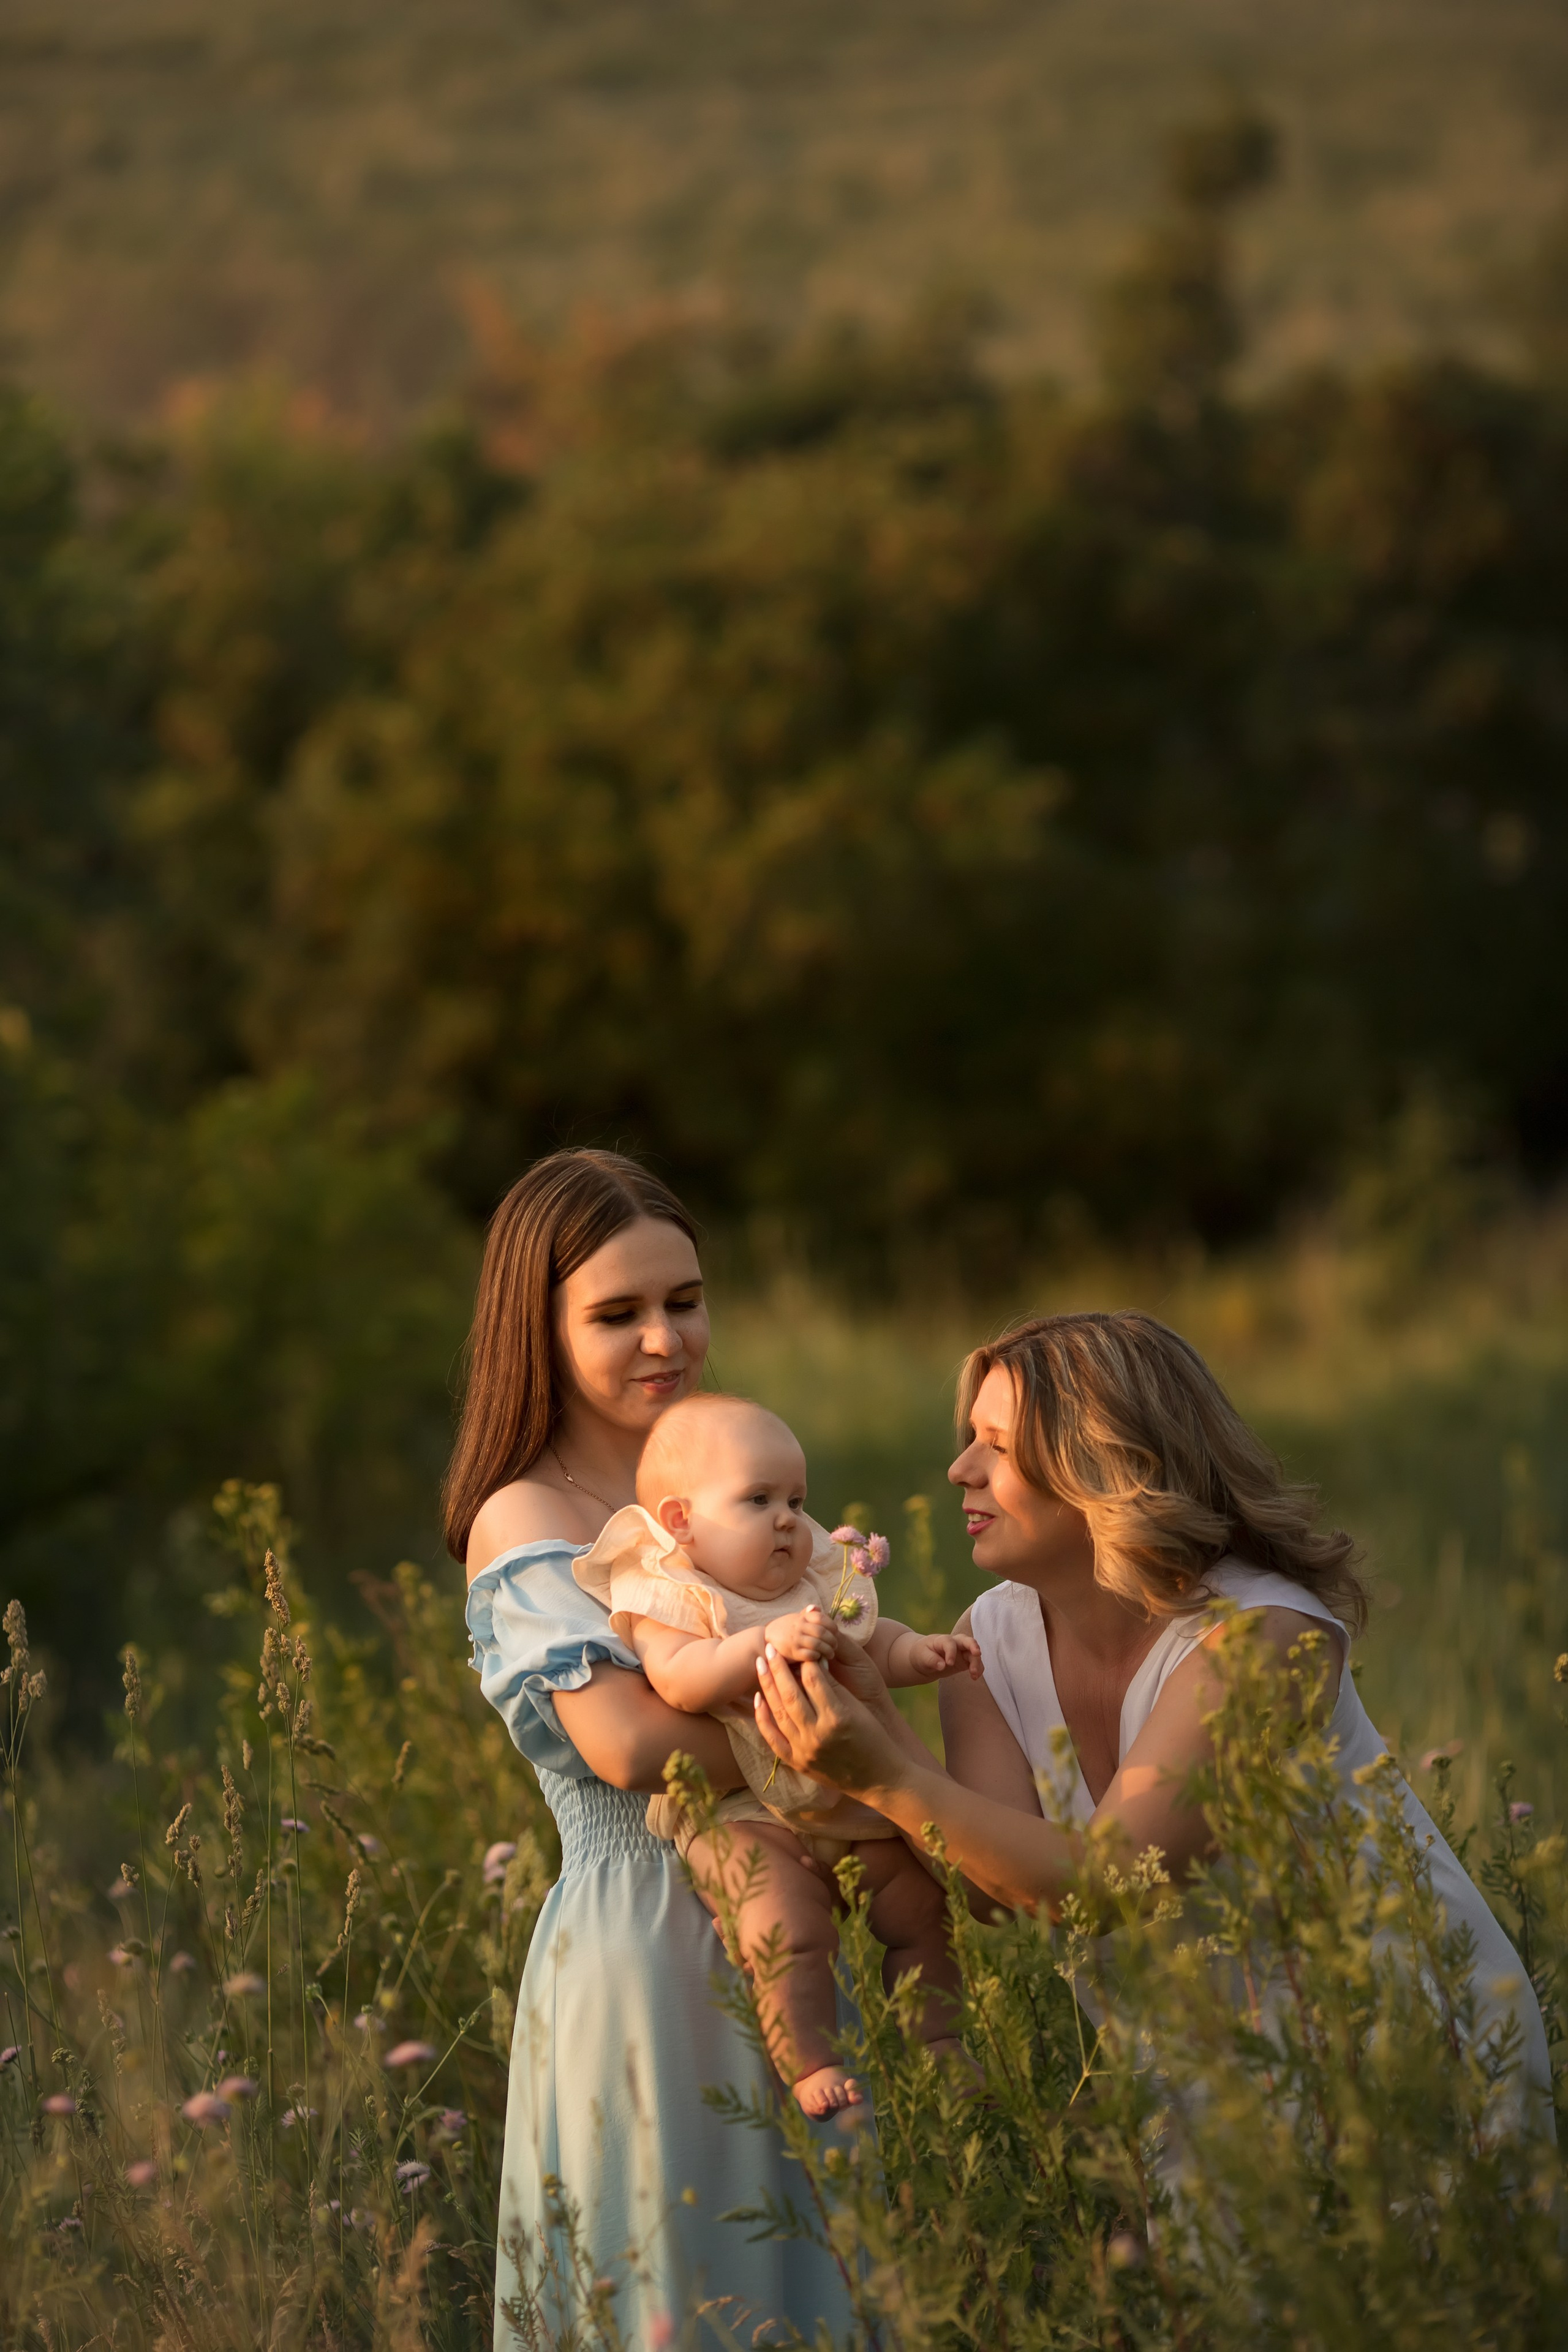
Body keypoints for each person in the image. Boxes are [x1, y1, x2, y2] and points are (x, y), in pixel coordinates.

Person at [748, 1309, 1554, 2138]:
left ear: (1105, 1462)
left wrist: (886, 1777)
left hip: (1391, 2051)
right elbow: (994, 1893)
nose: (960, 1469)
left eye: (996, 1443)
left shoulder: (1262, 1636)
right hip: (1194, 2074)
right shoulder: (987, 1640)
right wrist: (872, 1713)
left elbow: (1109, 1883)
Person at [450, 1150, 852, 2350]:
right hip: (644, 1944)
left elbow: (848, 1662)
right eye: (615, 1314)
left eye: (682, 1300)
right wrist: (829, 1726)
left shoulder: (722, 1478)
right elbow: (629, 1745)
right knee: (684, 2280)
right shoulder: (526, 1515)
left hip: (785, 1915)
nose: (662, 1339)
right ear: (539, 1327)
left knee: (815, 2272)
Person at [575, 1390, 980, 2116]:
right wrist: (759, 1643)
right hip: (739, 1815)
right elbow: (681, 1680)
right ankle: (809, 2061)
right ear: (681, 1522)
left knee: (924, 1906)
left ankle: (939, 2040)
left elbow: (865, 1641)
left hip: (841, 1800)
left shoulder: (810, 1581)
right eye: (757, 1499)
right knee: (785, 1929)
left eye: (796, 1497)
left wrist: (915, 1652)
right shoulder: (671, 1593)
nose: (788, 1519)